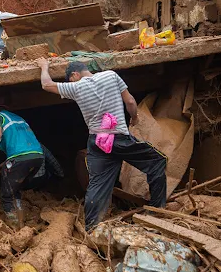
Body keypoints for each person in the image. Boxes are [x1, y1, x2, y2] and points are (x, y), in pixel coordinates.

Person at [36, 58, 167, 229]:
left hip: (98, 142)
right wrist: (134, 118)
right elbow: (130, 102)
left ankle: (92, 227)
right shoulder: (111, 76)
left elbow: (46, 84)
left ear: (74, 75)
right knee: (157, 161)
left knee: (97, 184)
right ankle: (156, 212)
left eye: (70, 79)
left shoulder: (76, 87)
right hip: (118, 138)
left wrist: (44, 66)